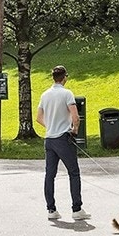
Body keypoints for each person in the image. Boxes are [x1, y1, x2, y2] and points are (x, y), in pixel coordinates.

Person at [35, 65, 87, 222]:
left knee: (50, 175)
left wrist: (50, 126)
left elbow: (38, 118)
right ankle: (76, 209)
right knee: (73, 172)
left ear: (53, 77)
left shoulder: (45, 95)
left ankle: (51, 209)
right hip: (63, 138)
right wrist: (74, 130)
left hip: (49, 139)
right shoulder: (67, 94)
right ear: (64, 77)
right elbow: (75, 117)